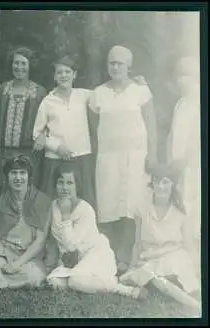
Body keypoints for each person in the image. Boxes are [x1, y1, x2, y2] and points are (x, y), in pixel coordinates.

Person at [88, 45, 158, 273]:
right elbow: (92, 128)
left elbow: (152, 125)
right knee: (108, 204)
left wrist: (153, 154)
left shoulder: (141, 91)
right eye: (111, 62)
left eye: (120, 63)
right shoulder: (98, 93)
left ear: (129, 66)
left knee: (131, 206)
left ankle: (128, 255)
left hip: (136, 157)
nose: (115, 67)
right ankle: (108, 256)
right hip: (108, 158)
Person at [45, 165, 148, 300]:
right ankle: (89, 282)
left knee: (75, 281)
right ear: (55, 184)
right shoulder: (53, 206)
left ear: (77, 185)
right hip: (72, 260)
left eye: (70, 183)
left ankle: (120, 288)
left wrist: (66, 216)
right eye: (60, 182)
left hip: (95, 254)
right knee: (55, 282)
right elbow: (58, 242)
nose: (64, 187)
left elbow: (71, 245)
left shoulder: (85, 210)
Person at [120, 164, 201, 310]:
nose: (160, 186)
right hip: (150, 259)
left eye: (165, 182)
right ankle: (195, 305)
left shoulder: (182, 210)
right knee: (156, 280)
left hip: (174, 255)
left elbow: (189, 243)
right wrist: (131, 268)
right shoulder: (141, 208)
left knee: (184, 279)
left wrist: (197, 267)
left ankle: (195, 303)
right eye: (156, 181)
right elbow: (137, 243)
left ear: (173, 184)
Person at [0, 156, 52, 289]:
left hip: (29, 256)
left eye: (22, 173)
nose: (18, 178)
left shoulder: (42, 201)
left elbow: (39, 242)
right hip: (2, 253)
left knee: (34, 278)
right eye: (13, 173)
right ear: (7, 177)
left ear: (28, 176)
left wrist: (16, 264)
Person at [33, 55, 95, 208]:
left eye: (68, 72)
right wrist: (57, 147)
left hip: (81, 156)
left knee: (83, 199)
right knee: (53, 200)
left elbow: (108, 93)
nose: (64, 76)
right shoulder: (48, 101)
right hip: (55, 159)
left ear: (74, 75)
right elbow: (36, 133)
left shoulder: (84, 95)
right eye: (59, 72)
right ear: (54, 76)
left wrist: (136, 82)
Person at [0, 47, 47, 200]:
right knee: (3, 193)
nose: (19, 67)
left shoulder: (39, 92)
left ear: (30, 66)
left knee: (28, 193)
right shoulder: (2, 90)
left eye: (23, 63)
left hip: (29, 154)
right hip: (5, 153)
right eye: (16, 63)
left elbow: (49, 120)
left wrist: (44, 135)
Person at [166, 56, 201, 276]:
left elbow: (195, 138)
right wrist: (171, 162)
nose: (182, 81)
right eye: (179, 77)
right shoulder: (180, 103)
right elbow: (172, 134)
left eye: (186, 76)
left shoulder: (198, 102)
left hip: (193, 166)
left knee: (192, 206)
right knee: (180, 205)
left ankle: (196, 260)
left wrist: (183, 162)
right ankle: (183, 258)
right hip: (177, 165)